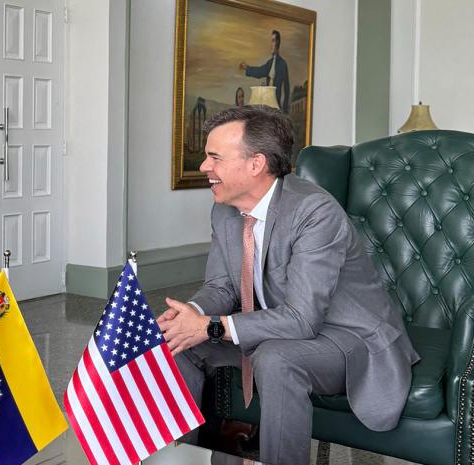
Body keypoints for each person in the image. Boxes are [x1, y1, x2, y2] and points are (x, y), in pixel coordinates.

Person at [157, 105, 418, 465]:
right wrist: (192, 315)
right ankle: (178, 459)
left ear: (256, 164)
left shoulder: (314, 212)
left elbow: (303, 319)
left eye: (214, 157)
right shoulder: (225, 208)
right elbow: (221, 286)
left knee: (276, 358)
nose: (204, 167)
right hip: (272, 326)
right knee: (178, 343)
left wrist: (212, 326)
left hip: (347, 336)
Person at [239, 30, 290, 112]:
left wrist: (285, 110)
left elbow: (286, 89)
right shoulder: (270, 63)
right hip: (267, 105)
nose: (271, 44)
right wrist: (247, 68)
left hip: (276, 106)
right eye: (271, 41)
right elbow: (259, 72)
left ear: (277, 42)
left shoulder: (282, 64)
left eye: (273, 41)